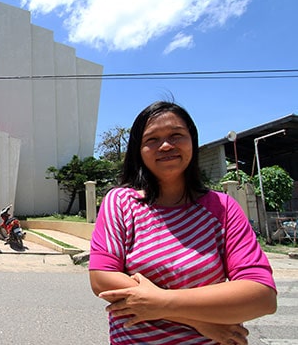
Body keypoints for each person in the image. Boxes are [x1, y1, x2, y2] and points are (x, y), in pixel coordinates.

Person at [89, 100, 277, 345]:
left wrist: (160, 303)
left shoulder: (223, 208)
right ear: (139, 150)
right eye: (152, 139)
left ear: (192, 141)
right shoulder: (121, 202)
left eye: (176, 135)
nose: (166, 145)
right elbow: (102, 277)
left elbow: (261, 296)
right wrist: (199, 320)